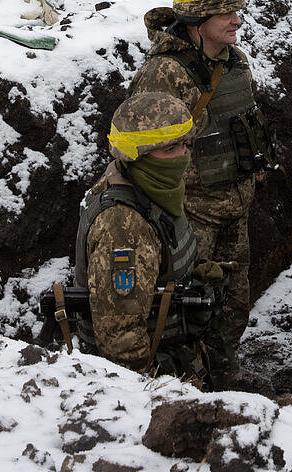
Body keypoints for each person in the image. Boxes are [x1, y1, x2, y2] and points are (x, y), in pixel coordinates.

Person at [128, 0, 272, 387]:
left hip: (235, 206)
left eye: (237, 11)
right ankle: (190, 390)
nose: (237, 20)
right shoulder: (164, 75)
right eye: (226, 13)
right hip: (189, 215)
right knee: (189, 311)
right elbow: (140, 150)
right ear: (197, 20)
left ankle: (224, 379)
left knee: (233, 306)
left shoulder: (232, 59)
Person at [74, 91, 227, 383]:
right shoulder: (123, 227)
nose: (182, 156)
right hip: (156, 381)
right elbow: (122, 343)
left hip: (177, 357)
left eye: (184, 144)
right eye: (169, 150)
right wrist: (159, 394)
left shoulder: (153, 190)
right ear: (137, 154)